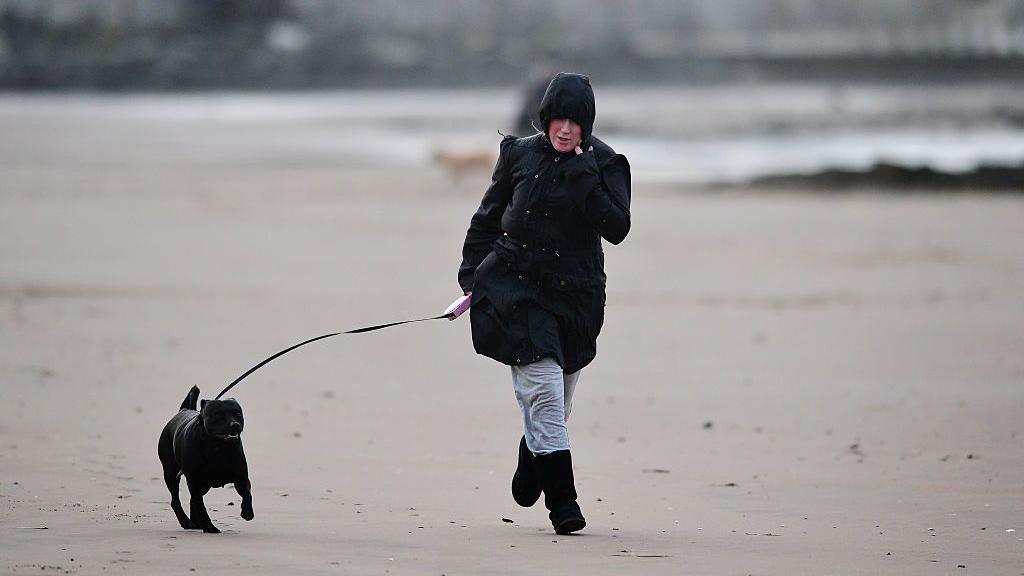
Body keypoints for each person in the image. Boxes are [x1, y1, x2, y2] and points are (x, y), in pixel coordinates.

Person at [457, 72, 631, 535]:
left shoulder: (608, 163)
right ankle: (564, 504)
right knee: (545, 394)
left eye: (575, 120)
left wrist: (583, 177)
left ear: (586, 124)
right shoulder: (518, 154)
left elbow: (617, 227)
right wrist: (473, 276)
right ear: (546, 117)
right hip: (517, 288)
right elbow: (487, 219)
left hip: (577, 294)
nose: (565, 128)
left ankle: (532, 454)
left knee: (558, 398)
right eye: (558, 118)